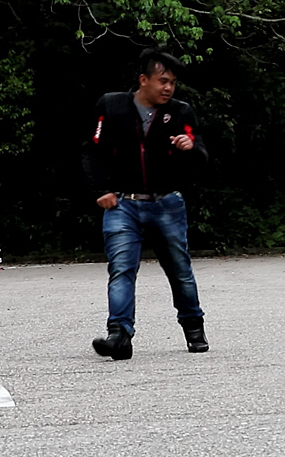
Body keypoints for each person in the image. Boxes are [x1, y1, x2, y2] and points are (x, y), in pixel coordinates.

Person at [82, 48, 209, 360]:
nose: (168, 88)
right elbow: (92, 150)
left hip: (167, 204)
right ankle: (119, 335)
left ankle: (194, 327)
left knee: (179, 270)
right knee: (122, 268)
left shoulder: (181, 113)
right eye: (162, 81)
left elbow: (203, 159)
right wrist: (100, 189)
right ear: (143, 79)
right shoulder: (111, 106)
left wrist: (190, 147)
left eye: (173, 83)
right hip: (123, 203)